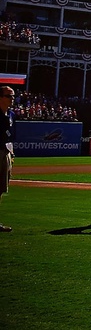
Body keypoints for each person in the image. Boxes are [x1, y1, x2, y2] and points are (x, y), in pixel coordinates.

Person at [0, 86, 16, 232]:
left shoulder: (11, 114)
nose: (12, 99)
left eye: (13, 96)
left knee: (0, 188)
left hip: (5, 152)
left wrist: (11, 152)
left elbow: (10, 135)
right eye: (9, 96)